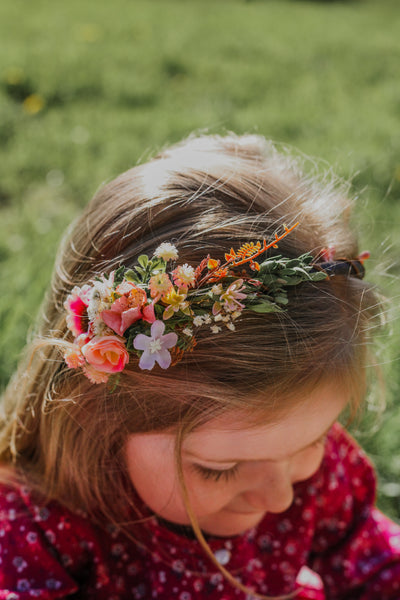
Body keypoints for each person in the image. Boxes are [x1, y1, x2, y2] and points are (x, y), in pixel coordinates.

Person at [0, 133, 399, 600]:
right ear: (95, 414)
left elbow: (376, 563)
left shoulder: (306, 468)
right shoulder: (35, 531)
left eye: (313, 440)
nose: (279, 498)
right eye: (220, 468)